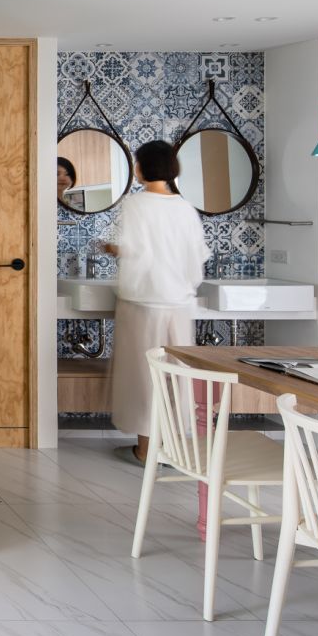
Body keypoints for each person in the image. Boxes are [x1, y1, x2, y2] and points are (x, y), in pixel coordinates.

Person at [98, 141, 209, 465]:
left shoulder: (136, 205)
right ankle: (172, 448)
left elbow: (135, 250)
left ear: (142, 167)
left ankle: (146, 450)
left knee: (143, 378)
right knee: (175, 378)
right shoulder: (185, 208)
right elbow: (196, 257)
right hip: (179, 304)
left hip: (143, 303)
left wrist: (111, 249)